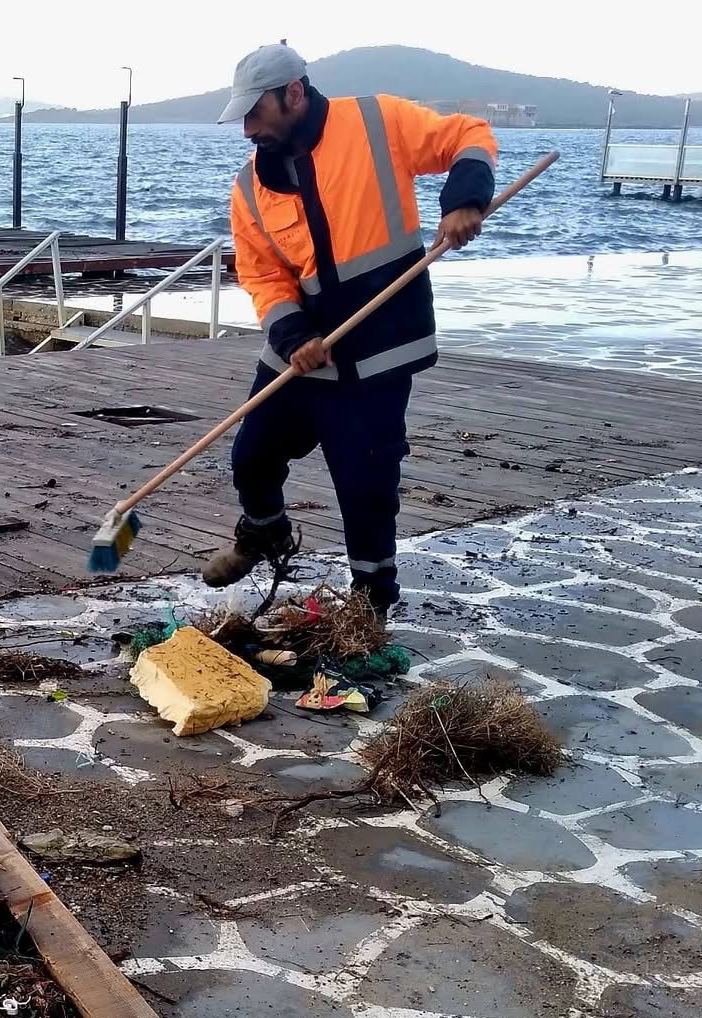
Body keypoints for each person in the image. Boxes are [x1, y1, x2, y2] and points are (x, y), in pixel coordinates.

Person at [201, 43, 497, 614]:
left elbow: (469, 135)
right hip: (301, 351)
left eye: (256, 111)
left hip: (379, 344)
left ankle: (371, 600)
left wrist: (465, 200)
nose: (248, 129)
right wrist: (291, 338)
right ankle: (264, 531)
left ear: (294, 93)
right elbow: (261, 273)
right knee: (252, 455)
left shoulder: (377, 121)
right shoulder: (249, 188)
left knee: (364, 482)